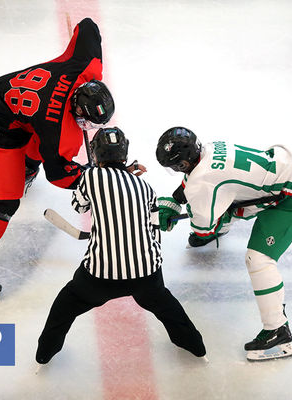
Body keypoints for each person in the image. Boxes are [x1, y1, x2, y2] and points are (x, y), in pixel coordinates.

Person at [0, 18, 115, 301]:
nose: (86, 128)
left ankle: (25, 167)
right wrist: (96, 179)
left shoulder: (85, 67)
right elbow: (59, 174)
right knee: (5, 203)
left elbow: (88, 27)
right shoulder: (59, 129)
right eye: (86, 122)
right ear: (77, 110)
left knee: (37, 140)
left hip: (10, 95)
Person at [35, 127, 206, 364]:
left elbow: (79, 205)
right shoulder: (146, 189)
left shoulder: (91, 176)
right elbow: (154, 229)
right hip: (147, 275)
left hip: (99, 278)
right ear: (124, 154)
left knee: (64, 307)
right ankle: (196, 346)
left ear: (95, 154)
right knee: (168, 309)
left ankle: (45, 353)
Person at [155, 127, 292, 361]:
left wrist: (191, 217)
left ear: (183, 163)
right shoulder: (209, 149)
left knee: (258, 259)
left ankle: (277, 329)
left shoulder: (202, 182)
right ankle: (223, 224)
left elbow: (203, 227)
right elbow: (201, 180)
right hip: (288, 170)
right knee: (228, 201)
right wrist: (176, 200)